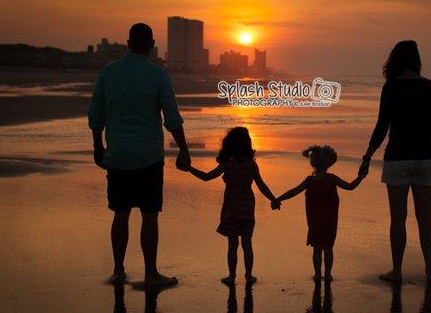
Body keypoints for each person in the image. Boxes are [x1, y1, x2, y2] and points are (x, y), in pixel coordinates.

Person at [88, 23, 191, 287]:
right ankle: (150, 272)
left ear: (128, 42)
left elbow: (96, 114)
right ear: (152, 44)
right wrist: (183, 150)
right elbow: (172, 118)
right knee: (149, 214)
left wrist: (98, 146)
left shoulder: (109, 72)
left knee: (120, 213)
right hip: (148, 155)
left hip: (118, 153)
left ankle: (119, 270)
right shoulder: (158, 74)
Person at [359, 40, 431, 284]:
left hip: (398, 159)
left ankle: (397, 271)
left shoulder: (391, 87)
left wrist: (367, 156)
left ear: (394, 60)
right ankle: (429, 271)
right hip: (426, 158)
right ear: (416, 60)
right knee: (425, 217)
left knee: (398, 218)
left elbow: (382, 126)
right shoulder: (429, 87)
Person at [180, 127, 276, 285]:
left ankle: (231, 276)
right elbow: (261, 185)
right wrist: (273, 199)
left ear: (229, 144)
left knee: (233, 245)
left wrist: (189, 168)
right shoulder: (251, 165)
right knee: (247, 244)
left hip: (231, 208)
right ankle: (249, 275)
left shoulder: (227, 164)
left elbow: (206, 177)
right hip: (247, 208)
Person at [272, 145, 366, 282]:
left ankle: (317, 274)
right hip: (330, 221)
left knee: (317, 249)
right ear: (329, 164)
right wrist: (361, 177)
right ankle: (327, 274)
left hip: (314, 222)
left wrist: (278, 199)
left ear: (313, 163)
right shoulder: (332, 179)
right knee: (328, 248)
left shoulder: (309, 181)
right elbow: (350, 186)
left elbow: (293, 191)